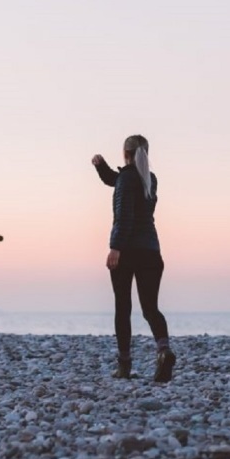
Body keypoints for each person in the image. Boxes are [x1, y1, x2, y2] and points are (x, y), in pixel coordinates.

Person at [91, 135, 176, 383]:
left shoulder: (128, 179)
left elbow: (124, 214)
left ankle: (124, 365)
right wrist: (100, 166)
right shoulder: (149, 178)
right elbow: (116, 181)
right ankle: (164, 351)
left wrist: (115, 248)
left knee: (123, 307)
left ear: (125, 153)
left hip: (127, 252)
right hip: (151, 251)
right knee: (150, 308)